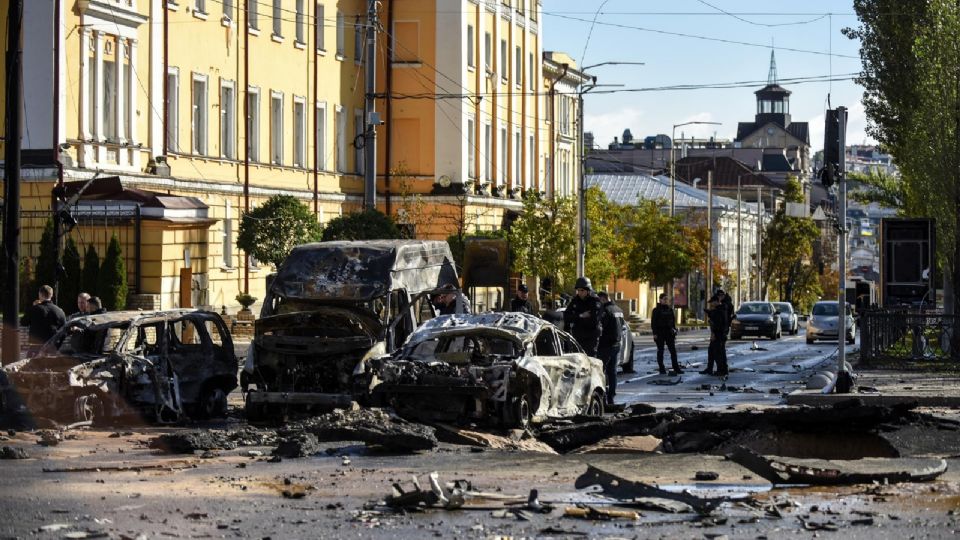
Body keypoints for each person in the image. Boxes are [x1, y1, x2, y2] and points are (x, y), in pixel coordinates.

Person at [563, 277, 603, 357]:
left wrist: (575, 318)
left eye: (582, 290)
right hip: (578, 336)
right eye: (578, 290)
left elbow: (593, 321)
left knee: (590, 360)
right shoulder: (575, 300)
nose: (579, 293)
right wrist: (580, 316)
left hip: (591, 338)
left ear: (588, 290)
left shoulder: (595, 301)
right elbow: (566, 317)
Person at [20, 285, 66, 353]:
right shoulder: (59, 311)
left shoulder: (34, 309)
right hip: (52, 347)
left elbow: (23, 322)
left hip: (35, 347)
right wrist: (57, 346)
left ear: (40, 294)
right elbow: (64, 330)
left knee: (33, 363)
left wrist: (34, 307)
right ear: (52, 295)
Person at [597, 291, 623, 404]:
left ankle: (602, 396)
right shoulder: (618, 309)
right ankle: (611, 397)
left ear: (603, 299)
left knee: (600, 371)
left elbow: (601, 326)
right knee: (612, 372)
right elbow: (621, 325)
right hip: (616, 344)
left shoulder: (605, 310)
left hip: (605, 345)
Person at [651, 293, 681, 375]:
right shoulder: (656, 310)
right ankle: (661, 368)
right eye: (664, 299)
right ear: (660, 300)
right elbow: (653, 323)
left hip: (669, 333)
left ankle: (676, 368)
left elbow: (673, 322)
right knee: (660, 351)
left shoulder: (670, 310)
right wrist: (655, 333)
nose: (666, 301)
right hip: (660, 333)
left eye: (667, 299)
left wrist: (674, 330)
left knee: (673, 351)